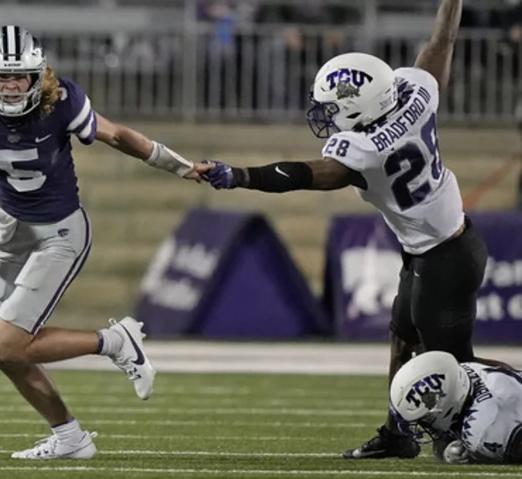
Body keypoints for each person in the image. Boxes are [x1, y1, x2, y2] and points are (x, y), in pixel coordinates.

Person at [198, 0, 510, 459]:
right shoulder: (417, 93)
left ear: (360, 105)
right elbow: (441, 41)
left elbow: (304, 174)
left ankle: (477, 426)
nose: (325, 115)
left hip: (445, 257)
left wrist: (240, 175)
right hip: (437, 248)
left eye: (332, 106)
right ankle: (397, 432)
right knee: (403, 335)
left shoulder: (363, 148)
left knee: (453, 365)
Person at [0, 25, 203, 460]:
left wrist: (180, 166)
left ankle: (114, 342)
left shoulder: (62, 101)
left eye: (21, 77)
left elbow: (119, 136)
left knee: (10, 343)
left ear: (39, 77)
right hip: (14, 231)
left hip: (62, 232)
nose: (12, 86)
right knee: (3, 350)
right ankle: (71, 438)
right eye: (1, 77)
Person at [390, 350, 522, 464]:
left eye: (425, 419)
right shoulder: (464, 370)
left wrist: (471, 457)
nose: (425, 424)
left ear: (443, 406)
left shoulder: (483, 431)